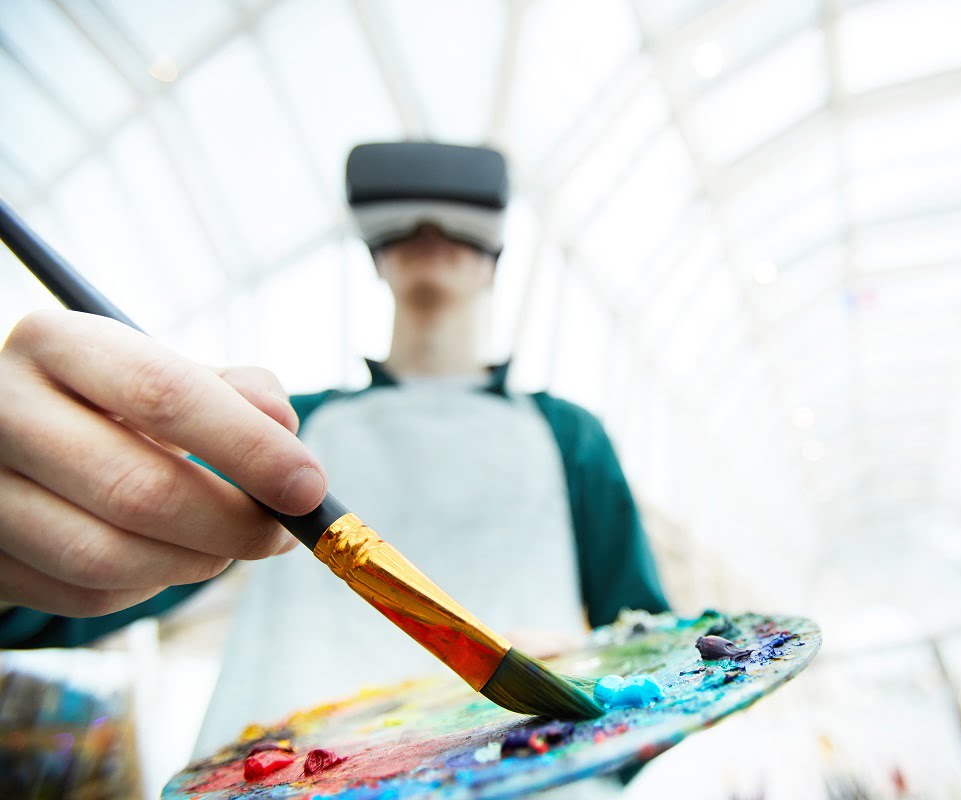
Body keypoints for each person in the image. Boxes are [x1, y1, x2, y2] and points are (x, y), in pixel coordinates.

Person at [0, 142, 669, 752]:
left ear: (497, 261)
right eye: (407, 222)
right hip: (279, 776)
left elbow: (659, 655)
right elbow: (77, 583)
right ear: (375, 257)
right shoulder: (286, 425)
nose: (430, 230)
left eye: (456, 222)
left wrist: (598, 708)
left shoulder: (571, 436)